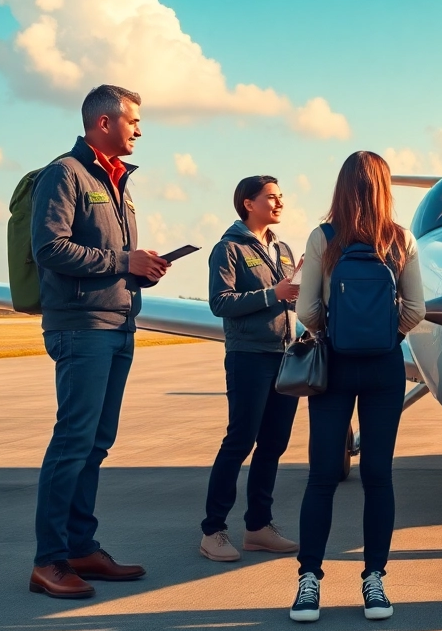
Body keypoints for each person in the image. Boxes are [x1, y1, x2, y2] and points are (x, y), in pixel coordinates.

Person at [28, 84, 168, 599]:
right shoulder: (64, 174)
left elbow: (110, 255)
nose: (138, 130)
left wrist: (141, 269)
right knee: (72, 441)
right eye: (133, 121)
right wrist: (121, 262)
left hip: (117, 322)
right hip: (81, 327)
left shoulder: (118, 183)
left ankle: (81, 547)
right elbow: (50, 248)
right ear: (103, 122)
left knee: (96, 443)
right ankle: (48, 560)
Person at [289, 151, 425, 623]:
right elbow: (416, 309)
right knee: (378, 476)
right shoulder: (401, 239)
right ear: (385, 187)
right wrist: (390, 335)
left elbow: (306, 310)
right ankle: (374, 582)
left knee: (322, 477)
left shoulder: (323, 238)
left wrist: (331, 331)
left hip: (335, 366)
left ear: (342, 186)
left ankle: (309, 583)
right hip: (385, 367)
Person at [199, 176, 302, 562]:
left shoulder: (285, 249)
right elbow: (220, 303)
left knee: (274, 444)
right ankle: (213, 531)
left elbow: (291, 299)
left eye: (281, 197)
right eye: (271, 197)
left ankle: (258, 526)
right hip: (249, 356)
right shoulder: (228, 249)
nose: (279, 203)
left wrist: (303, 286)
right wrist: (272, 294)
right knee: (240, 441)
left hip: (285, 356)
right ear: (248, 203)